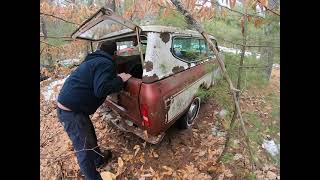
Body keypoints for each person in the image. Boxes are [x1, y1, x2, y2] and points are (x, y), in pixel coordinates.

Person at [56, 40, 131, 180]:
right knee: (83, 149)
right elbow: (101, 89)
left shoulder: (93, 60)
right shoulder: (105, 63)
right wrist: (121, 79)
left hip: (71, 107)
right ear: (115, 53)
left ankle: (98, 159)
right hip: (71, 112)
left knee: (89, 133)